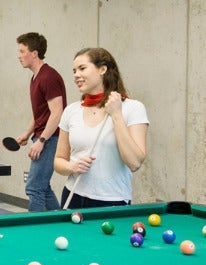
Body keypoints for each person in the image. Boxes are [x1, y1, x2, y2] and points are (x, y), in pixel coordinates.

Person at [54, 48, 149, 208]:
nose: (76, 75)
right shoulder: (71, 110)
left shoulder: (132, 108)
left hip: (113, 201)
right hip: (73, 196)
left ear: (102, 69)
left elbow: (134, 163)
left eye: (82, 68)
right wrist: (72, 166)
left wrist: (117, 115)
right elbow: (58, 161)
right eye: (74, 71)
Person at [15, 32, 67, 212]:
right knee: (42, 187)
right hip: (44, 137)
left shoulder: (48, 77)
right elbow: (40, 113)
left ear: (34, 53)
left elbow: (57, 114)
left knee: (34, 187)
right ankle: (61, 223)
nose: (19, 55)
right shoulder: (35, 78)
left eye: (22, 51)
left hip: (51, 138)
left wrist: (42, 141)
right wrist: (27, 134)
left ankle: (34, 229)